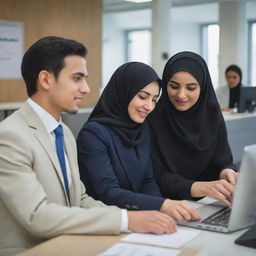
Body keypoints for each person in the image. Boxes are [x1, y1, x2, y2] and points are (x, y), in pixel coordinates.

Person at [0, 37, 175, 256]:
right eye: (77, 78)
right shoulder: (10, 136)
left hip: (70, 244)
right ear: (45, 80)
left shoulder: (63, 134)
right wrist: (126, 218)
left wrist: (138, 219)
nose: (86, 88)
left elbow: (80, 200)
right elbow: (37, 215)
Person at [77, 62, 200, 222]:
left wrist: (164, 214)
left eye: (154, 99)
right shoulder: (93, 134)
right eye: (143, 97)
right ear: (124, 92)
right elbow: (107, 192)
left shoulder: (142, 129)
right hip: (107, 221)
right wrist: (162, 205)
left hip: (139, 219)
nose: (149, 106)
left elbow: (147, 181)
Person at [148, 51, 239, 206]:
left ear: (202, 88)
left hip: (210, 201)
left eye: (191, 88)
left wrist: (226, 171)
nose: (181, 95)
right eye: (174, 86)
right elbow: (153, 174)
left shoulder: (212, 116)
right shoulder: (152, 119)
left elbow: (223, 159)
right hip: (166, 205)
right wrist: (196, 187)